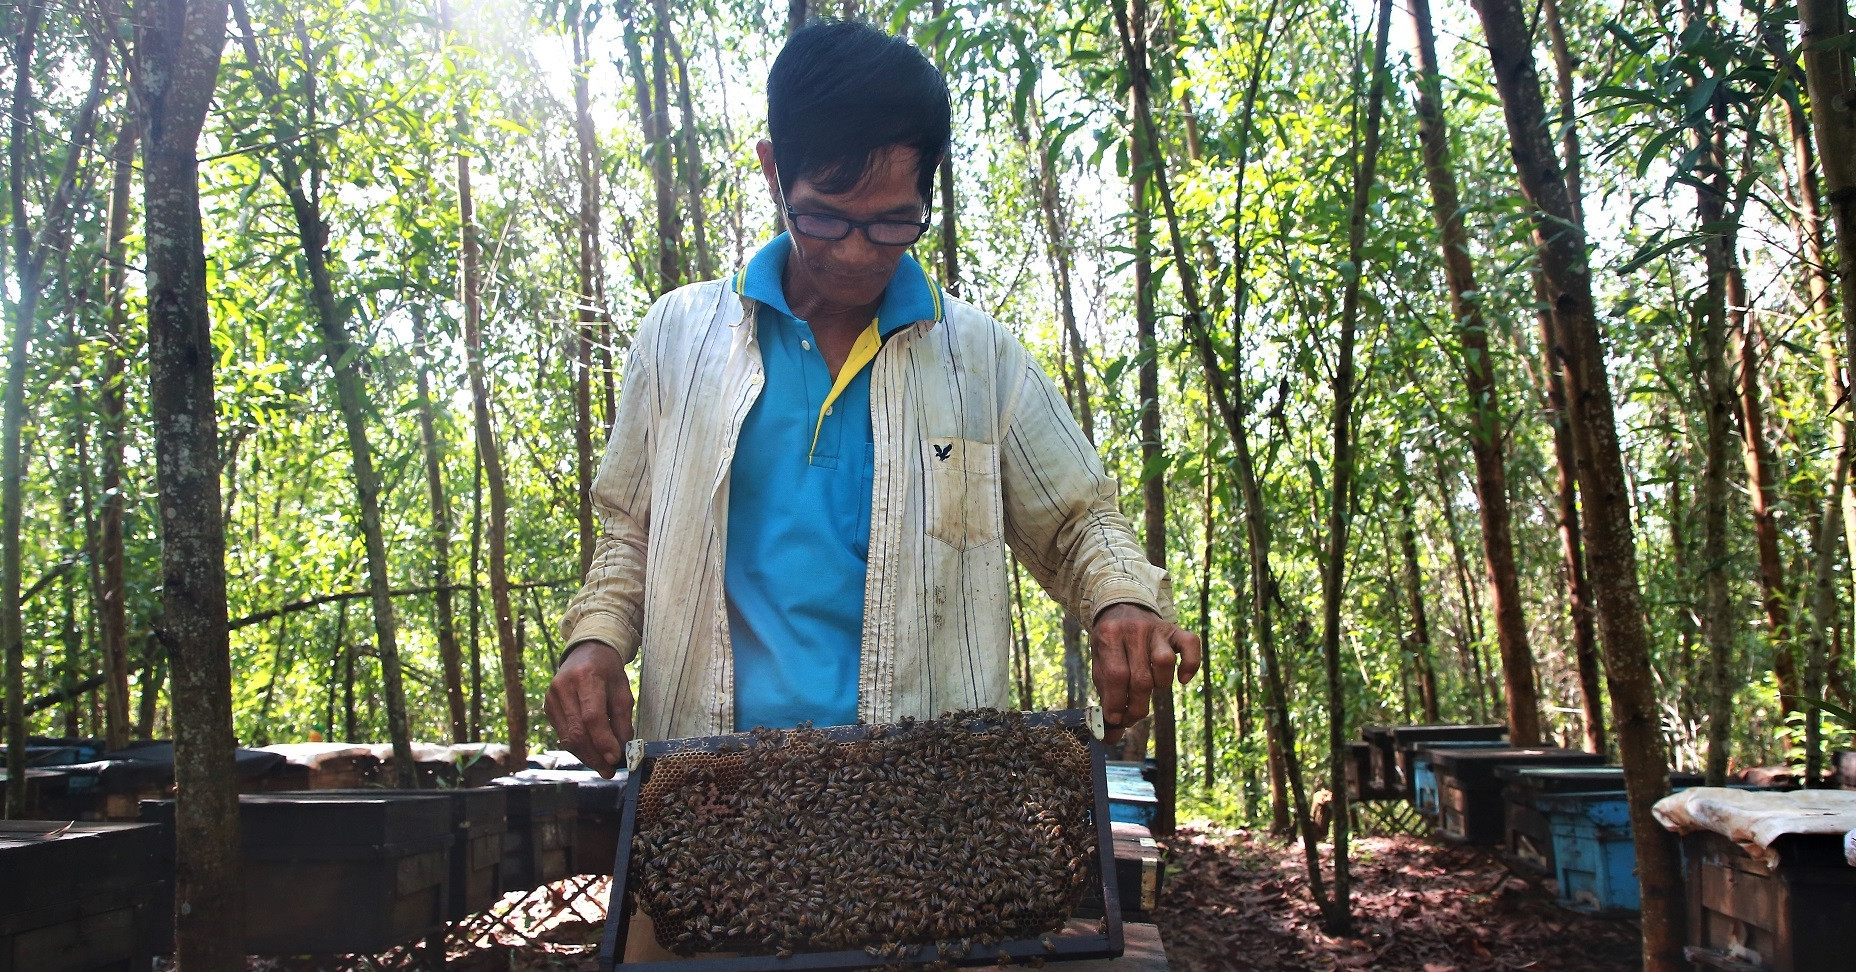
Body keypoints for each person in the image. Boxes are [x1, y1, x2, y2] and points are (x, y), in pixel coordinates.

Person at [545, 20, 1200, 779]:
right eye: (824, 214)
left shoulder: (980, 359)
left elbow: (1082, 523)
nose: (857, 251)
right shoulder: (678, 339)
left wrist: (1124, 602)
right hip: (711, 796)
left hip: (923, 805)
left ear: (928, 188)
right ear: (772, 173)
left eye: (893, 220)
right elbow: (632, 533)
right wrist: (594, 641)